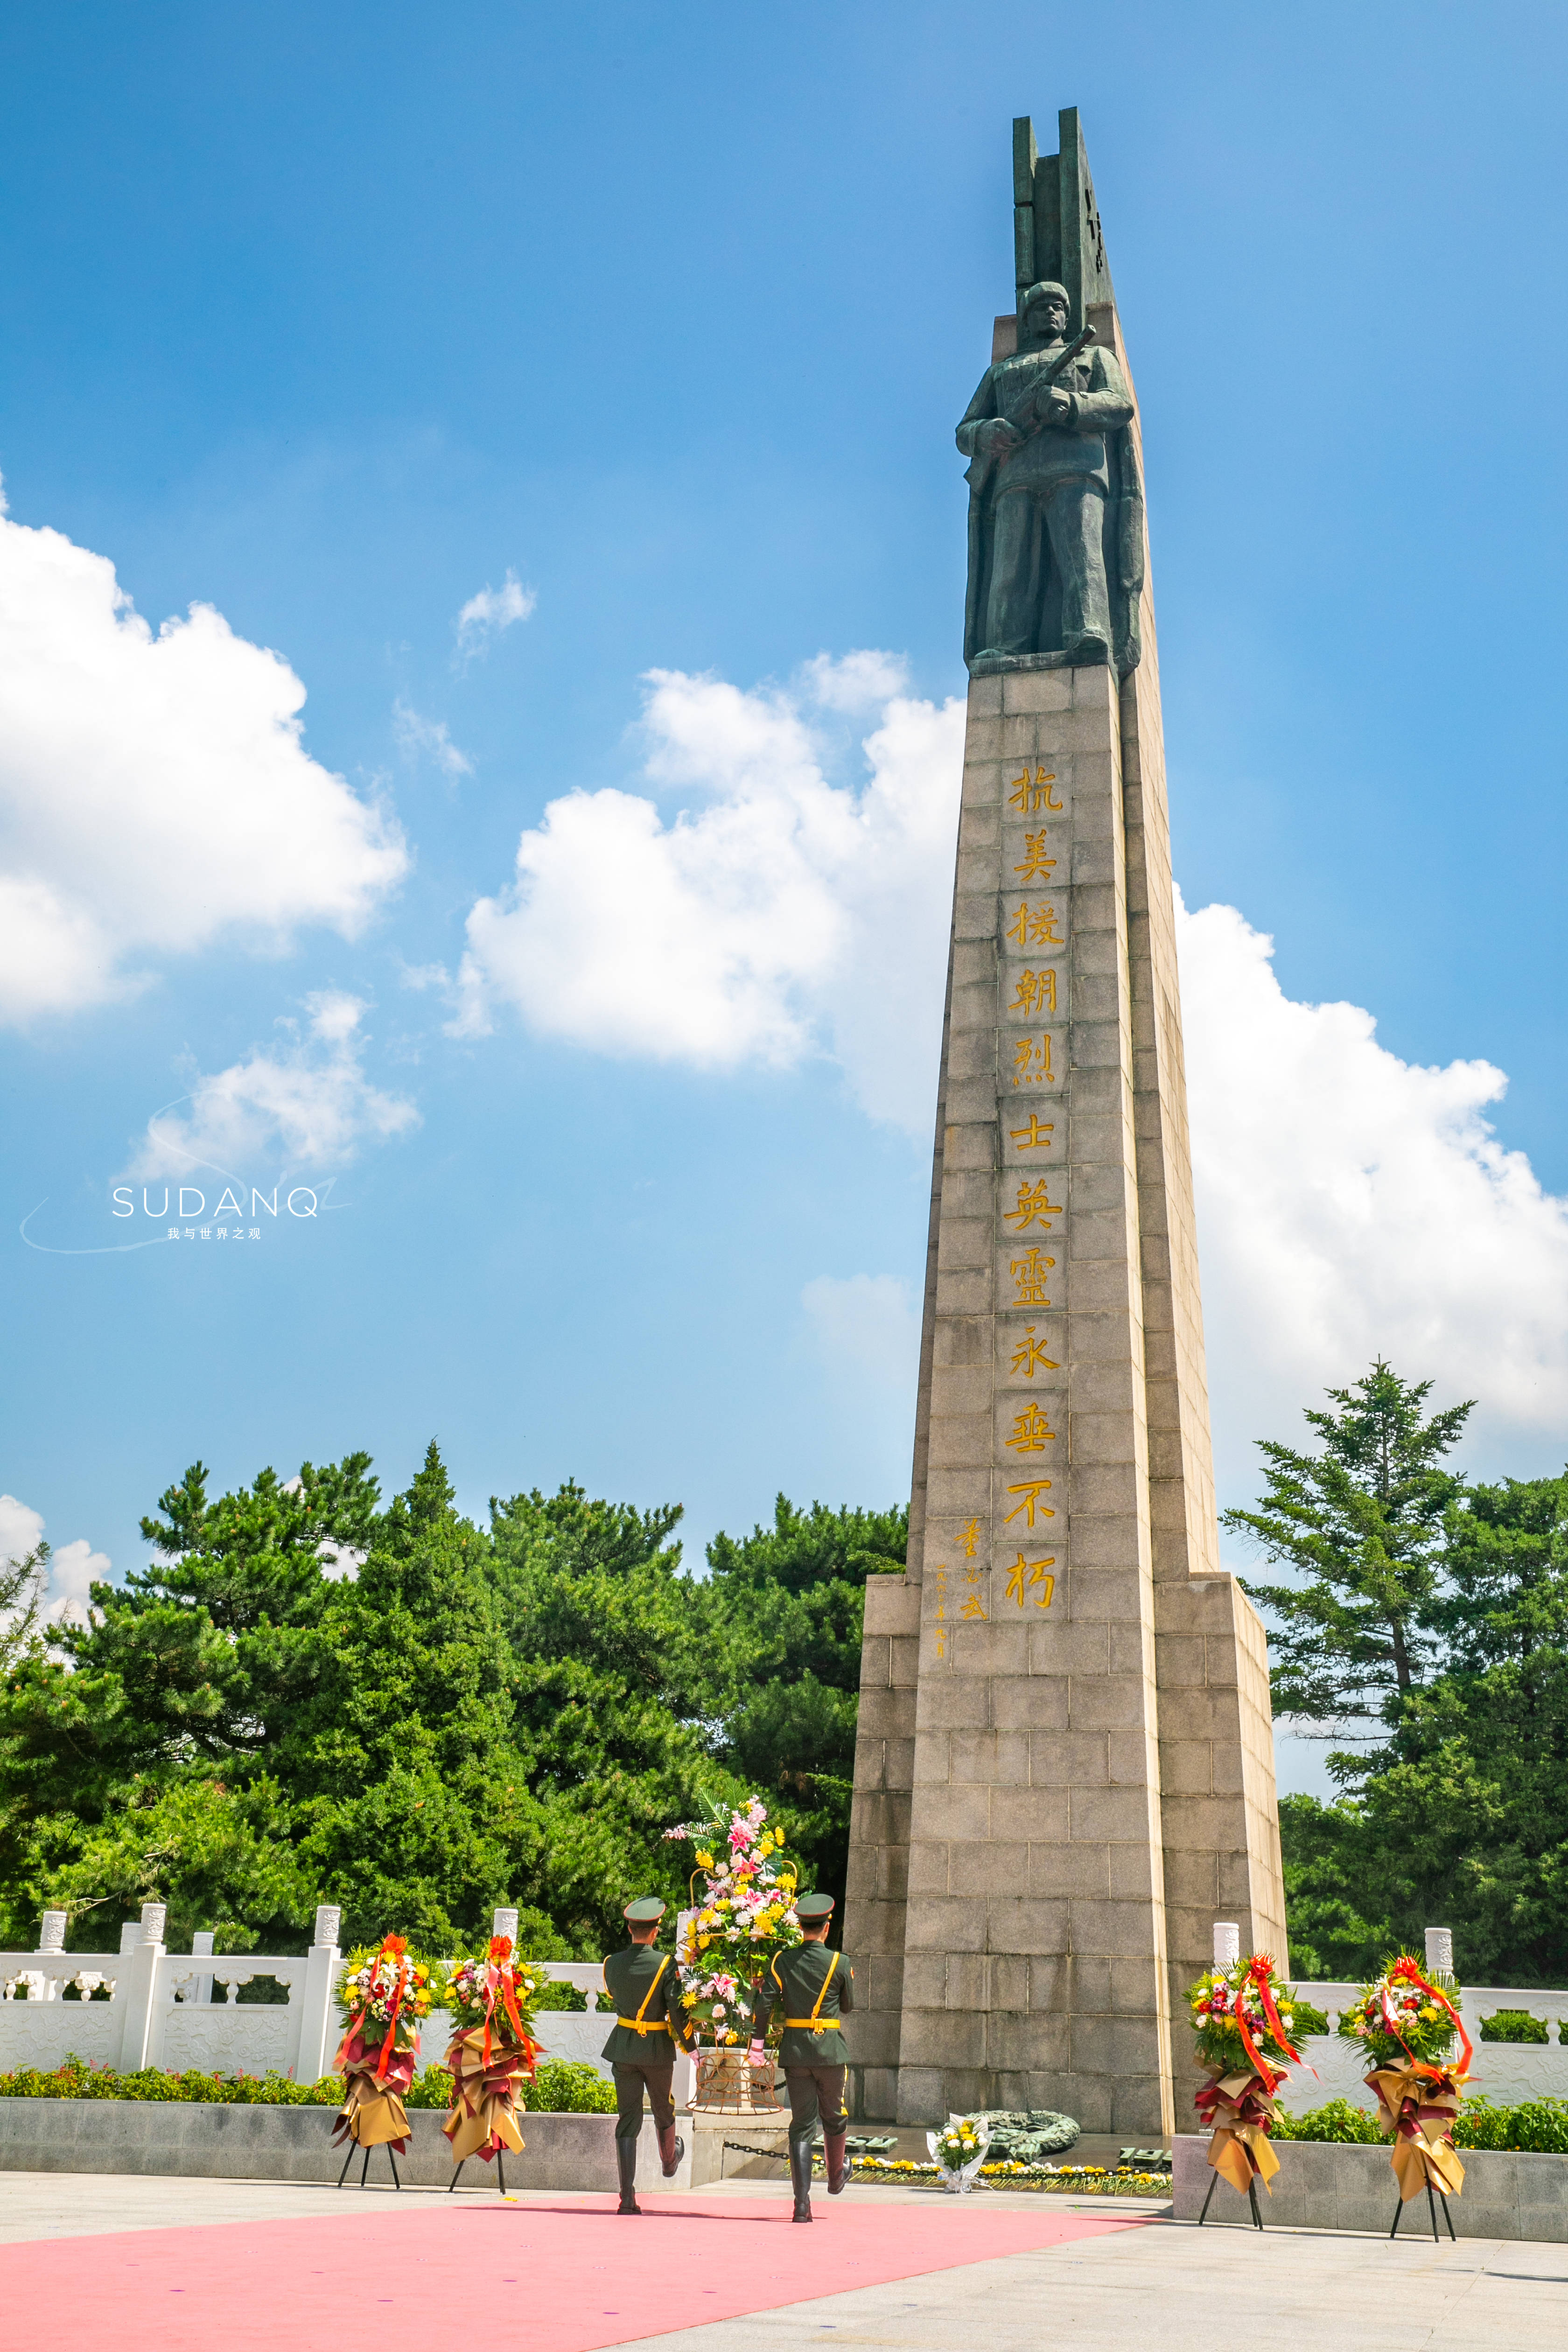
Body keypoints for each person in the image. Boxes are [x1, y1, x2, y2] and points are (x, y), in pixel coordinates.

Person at [955, 278, 1138, 672]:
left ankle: (1089, 631)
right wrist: (987, 433)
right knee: (1012, 568)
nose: (1051, 312)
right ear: (1027, 319)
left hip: (1076, 469)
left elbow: (1119, 405)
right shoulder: (1002, 372)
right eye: (1041, 307)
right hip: (1014, 477)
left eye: (1058, 307)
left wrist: (1071, 405)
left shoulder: (1091, 357)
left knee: (1082, 557)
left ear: (1067, 316)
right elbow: (965, 431)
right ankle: (1004, 644)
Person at [747, 1891, 854, 2223]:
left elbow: (764, 2004)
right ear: (826, 1926)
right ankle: (836, 2178)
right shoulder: (840, 1962)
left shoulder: (782, 1961)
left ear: (801, 1926)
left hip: (795, 2052)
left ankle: (801, 2205)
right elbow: (848, 2006)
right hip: (830, 2052)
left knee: (802, 2126)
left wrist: (757, 2046)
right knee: (834, 2117)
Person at [601, 1895, 688, 2215]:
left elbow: (615, 1996)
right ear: (655, 1932)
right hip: (656, 2048)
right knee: (663, 2108)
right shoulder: (666, 1964)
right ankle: (669, 2161)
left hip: (624, 2046)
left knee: (628, 2118)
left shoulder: (612, 1964)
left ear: (629, 1928)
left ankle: (627, 2198)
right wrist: (691, 2047)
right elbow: (677, 2013)